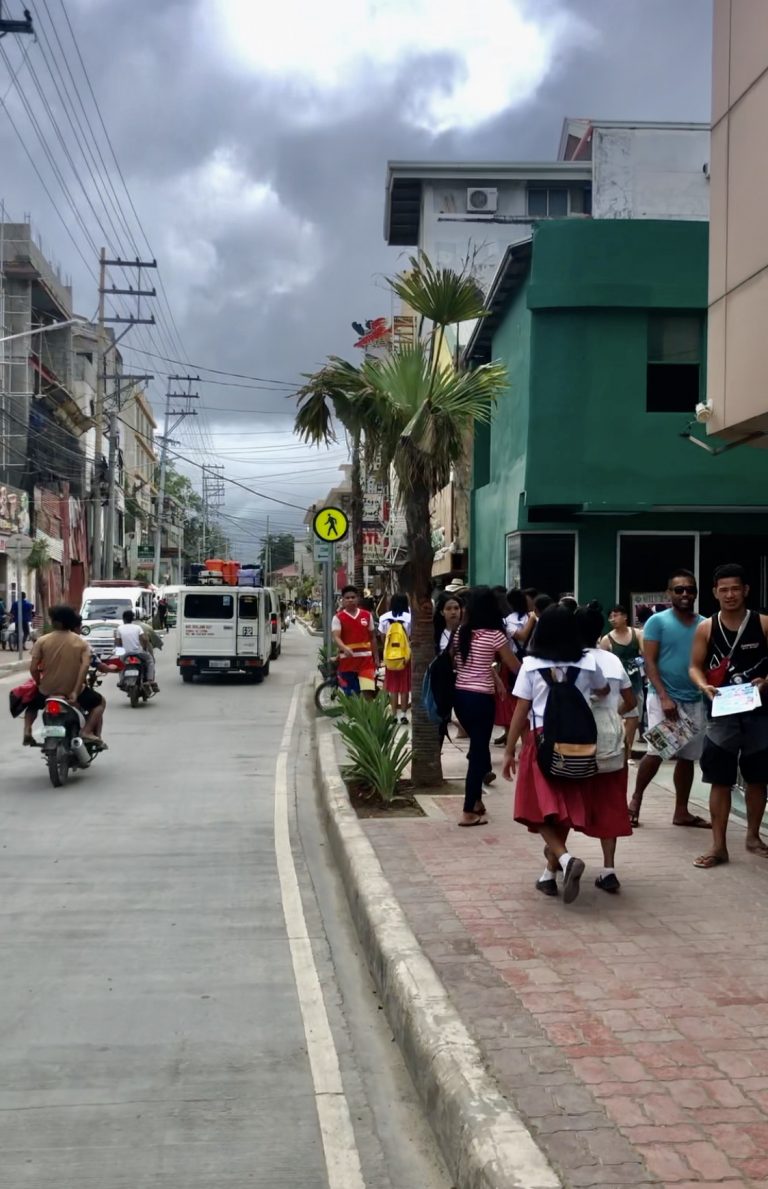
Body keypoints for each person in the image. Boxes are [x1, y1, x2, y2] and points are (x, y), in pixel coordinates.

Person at [502, 606, 610, 903]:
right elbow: (602, 690)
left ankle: (563, 860)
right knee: (562, 809)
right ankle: (548, 876)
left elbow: (521, 711)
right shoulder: (588, 661)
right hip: (579, 744)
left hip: (542, 742)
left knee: (538, 810)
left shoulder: (531, 664)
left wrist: (509, 750)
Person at [689, 563, 768, 869]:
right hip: (721, 713)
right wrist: (702, 685)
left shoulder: (761, 624)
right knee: (719, 779)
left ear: (746, 590)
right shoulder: (706, 628)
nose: (730, 594)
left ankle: (752, 836)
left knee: (758, 778)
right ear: (714, 593)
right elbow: (694, 665)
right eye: (724, 590)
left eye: (735, 588)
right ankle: (718, 846)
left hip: (759, 713)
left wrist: (765, 683)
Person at [627, 570, 709, 829]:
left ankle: (682, 812)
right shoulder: (657, 622)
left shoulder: (705, 623)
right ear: (668, 593)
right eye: (679, 589)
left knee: (687, 757)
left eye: (690, 589)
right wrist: (663, 697)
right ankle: (635, 801)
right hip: (665, 699)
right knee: (657, 751)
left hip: (695, 700)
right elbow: (649, 662)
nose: (685, 594)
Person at [574, 603, 636, 893]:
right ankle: (608, 869)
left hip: (576, 740)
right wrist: (614, 715)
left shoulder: (569, 661)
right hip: (612, 739)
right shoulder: (612, 660)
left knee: (566, 799)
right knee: (611, 801)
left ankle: (554, 864)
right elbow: (631, 701)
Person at [452, 586, 521, 827]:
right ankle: (468, 810)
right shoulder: (495, 636)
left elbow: (462, 663)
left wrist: (492, 675)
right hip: (481, 699)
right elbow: (514, 666)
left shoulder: (461, 632)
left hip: (459, 697)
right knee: (478, 753)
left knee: (479, 749)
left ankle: (478, 802)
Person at [24, 605, 106, 745]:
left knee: (31, 705)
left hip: (47, 690)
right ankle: (86, 731)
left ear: (59, 622)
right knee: (100, 703)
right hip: (73, 691)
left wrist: (39, 684)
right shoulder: (81, 643)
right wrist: (75, 691)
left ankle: (27, 730)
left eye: (54, 619)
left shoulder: (42, 641)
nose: (52, 621)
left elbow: (33, 668)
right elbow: (85, 667)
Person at [600, 605, 645, 757]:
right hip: (617, 685)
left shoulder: (637, 633)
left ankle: (628, 752)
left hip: (636, 682)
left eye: (616, 615)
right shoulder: (607, 639)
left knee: (634, 718)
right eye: (610, 616)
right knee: (620, 715)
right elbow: (603, 663)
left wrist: (636, 663)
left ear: (625, 616)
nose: (613, 619)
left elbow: (645, 655)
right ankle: (616, 748)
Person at [332, 585, 379, 697]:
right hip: (347, 663)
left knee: (368, 693)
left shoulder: (367, 615)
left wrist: (376, 658)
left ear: (357, 598)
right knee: (352, 696)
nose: (350, 600)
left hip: (366, 662)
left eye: (353, 597)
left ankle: (367, 714)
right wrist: (344, 648)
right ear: (342, 600)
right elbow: (336, 637)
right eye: (347, 598)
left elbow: (373, 637)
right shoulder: (338, 618)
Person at [379, 593, 412, 723]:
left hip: (390, 657)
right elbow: (411, 637)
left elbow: (382, 637)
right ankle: (403, 715)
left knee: (392, 687)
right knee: (404, 687)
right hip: (405, 657)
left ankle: (393, 715)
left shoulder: (384, 618)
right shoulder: (410, 618)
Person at [114, 610, 158, 691]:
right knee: (150, 661)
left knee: (120, 664)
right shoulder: (137, 627)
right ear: (132, 619)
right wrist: (144, 648)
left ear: (123, 619)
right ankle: (150, 680)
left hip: (125, 653)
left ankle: (121, 680)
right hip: (138, 652)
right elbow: (144, 639)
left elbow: (118, 642)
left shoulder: (119, 628)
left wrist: (119, 651)